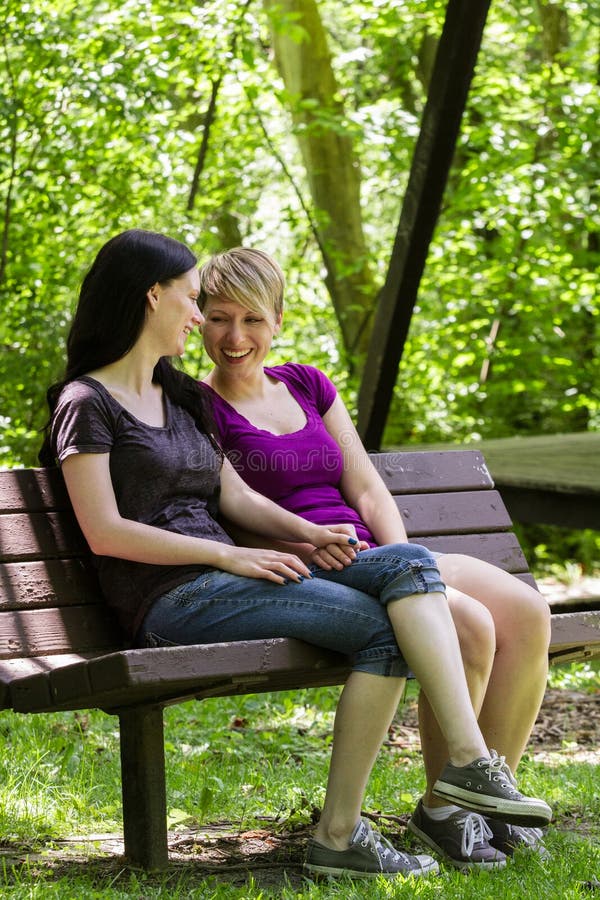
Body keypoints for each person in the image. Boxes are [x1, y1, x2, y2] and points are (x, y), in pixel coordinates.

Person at [39, 231, 549, 881]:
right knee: (402, 601)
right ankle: (452, 776)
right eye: (195, 301)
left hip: (220, 579)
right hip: (171, 597)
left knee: (403, 580)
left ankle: (358, 827)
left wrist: (312, 533)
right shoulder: (86, 403)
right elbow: (105, 532)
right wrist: (227, 556)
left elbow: (236, 495)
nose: (198, 318)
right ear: (152, 298)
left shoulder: (178, 397)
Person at [197, 246, 553, 870]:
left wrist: (396, 558)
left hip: (374, 554)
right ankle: (448, 811)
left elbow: (364, 484)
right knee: (470, 622)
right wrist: (314, 544)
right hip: (307, 563)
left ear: (277, 319)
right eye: (219, 318)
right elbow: (232, 512)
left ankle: (481, 806)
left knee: (527, 612)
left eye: (252, 319)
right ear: (198, 318)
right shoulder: (196, 406)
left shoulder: (307, 384)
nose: (235, 337)